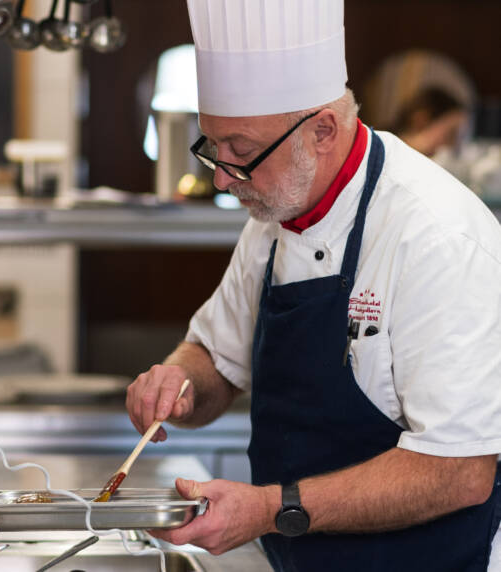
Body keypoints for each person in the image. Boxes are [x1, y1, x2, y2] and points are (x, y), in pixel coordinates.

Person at [125, 1, 501, 571]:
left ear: (322, 130)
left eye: (242, 153)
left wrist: (269, 508)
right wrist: (178, 383)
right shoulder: (274, 214)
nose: (223, 178)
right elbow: (215, 360)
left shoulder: (435, 237)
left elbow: (459, 473)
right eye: (213, 147)